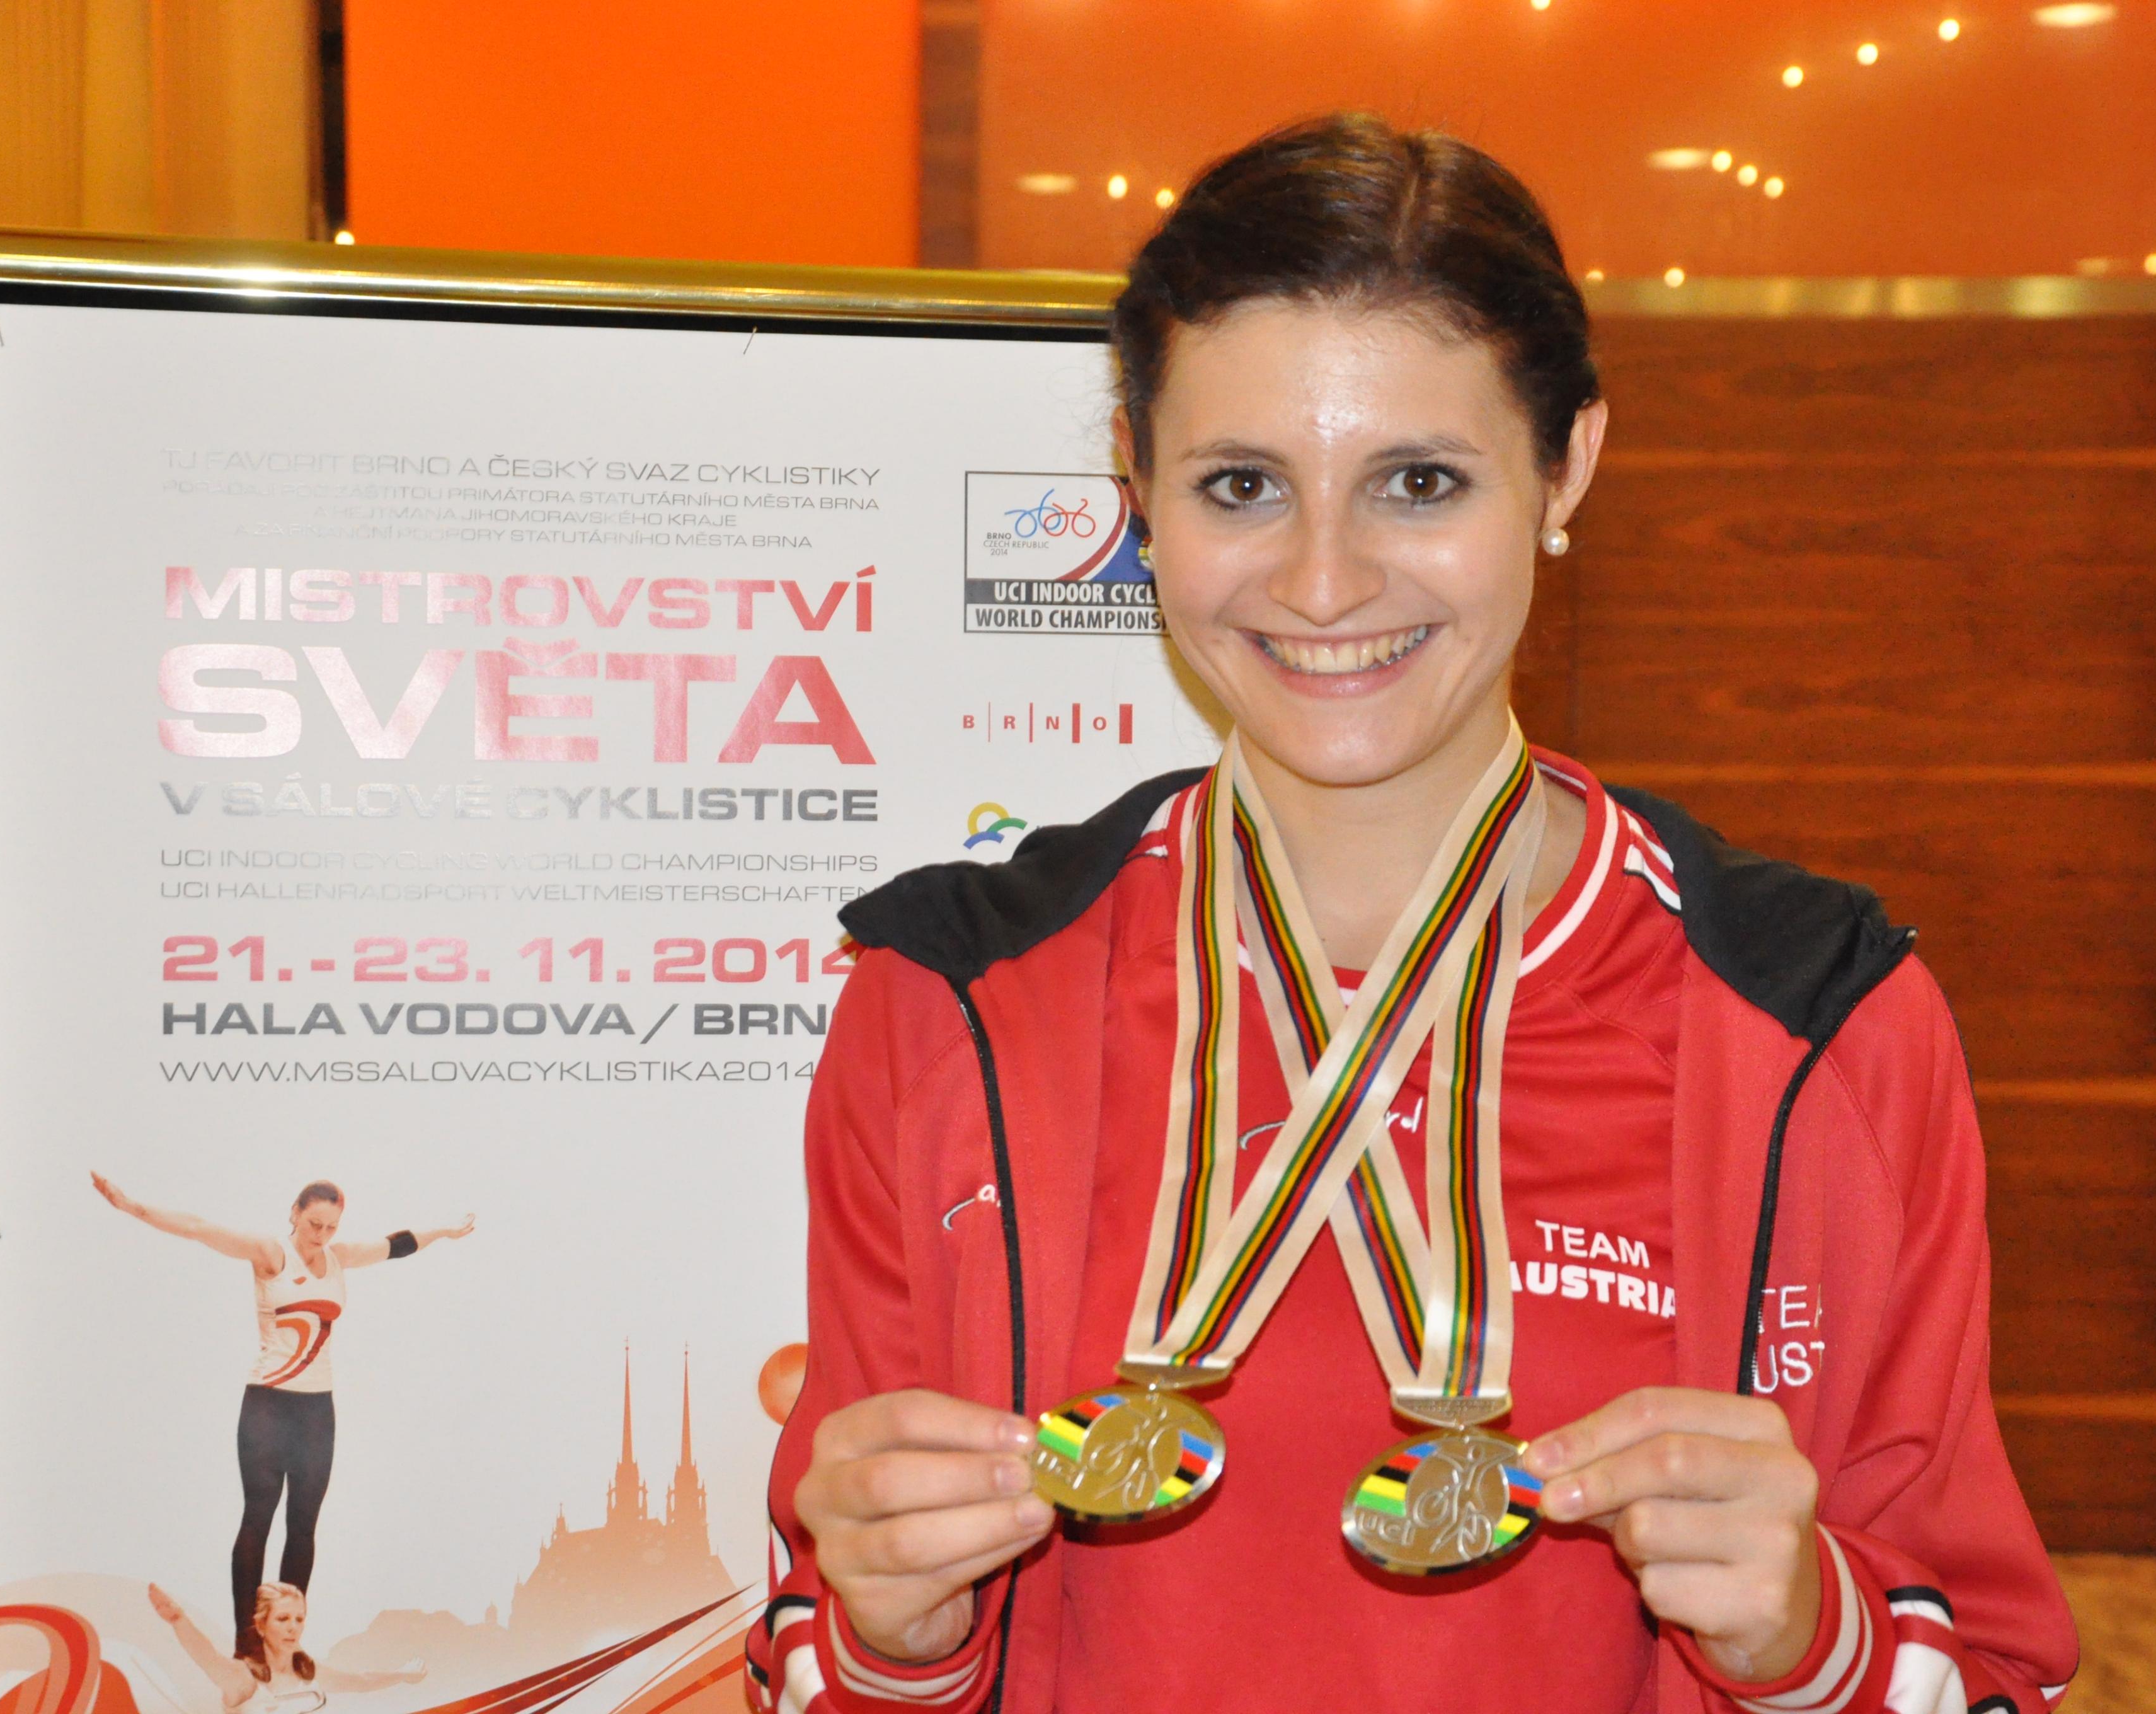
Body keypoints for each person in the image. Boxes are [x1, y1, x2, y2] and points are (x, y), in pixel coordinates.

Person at [744, 115, 2079, 1714]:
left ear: (1566, 467)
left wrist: (1810, 1640)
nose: (1321, 582)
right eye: (1242, 484)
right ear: (1136, 488)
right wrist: (895, 1642)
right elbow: (820, 1654)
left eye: (1418, 482)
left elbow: (1994, 1671)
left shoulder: (1811, 1020)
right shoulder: (951, 999)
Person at [93, 1173, 474, 1650]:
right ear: (295, 1212)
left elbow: (396, 1244)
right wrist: (132, 1207)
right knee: (258, 1518)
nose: (321, 1236)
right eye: (314, 1224)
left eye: (331, 1227)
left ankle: (284, 1644)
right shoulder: (270, 1254)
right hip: (268, 1407)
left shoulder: (339, 1258)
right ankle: (246, 1640)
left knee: (303, 1526)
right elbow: (197, 1228)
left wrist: (444, 1231)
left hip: (317, 1412)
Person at [148, 1582, 425, 1710]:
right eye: (283, 1619)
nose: (293, 1627)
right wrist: (178, 1620)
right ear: (261, 1625)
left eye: (299, 1619)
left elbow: (361, 1681)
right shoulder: (243, 1678)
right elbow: (207, 1657)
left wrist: (404, 1674)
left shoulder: (310, 1673)